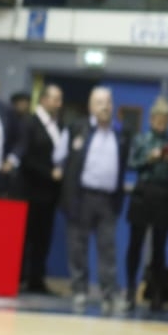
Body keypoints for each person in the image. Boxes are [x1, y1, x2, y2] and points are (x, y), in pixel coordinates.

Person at [61, 86, 129, 315]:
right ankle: (79, 292)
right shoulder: (77, 128)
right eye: (99, 102)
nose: (105, 106)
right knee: (77, 248)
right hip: (82, 197)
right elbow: (60, 158)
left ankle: (109, 295)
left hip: (108, 199)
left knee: (107, 250)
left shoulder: (120, 133)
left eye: (108, 102)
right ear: (91, 106)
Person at [125, 98, 168, 312]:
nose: (161, 122)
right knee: (135, 244)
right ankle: (130, 290)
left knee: (160, 247)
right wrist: (149, 158)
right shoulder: (141, 140)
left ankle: (156, 293)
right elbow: (131, 163)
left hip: (163, 194)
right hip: (142, 191)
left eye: (165, 119)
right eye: (158, 118)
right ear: (151, 119)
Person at [18, 83, 67, 294]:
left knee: (42, 239)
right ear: (44, 99)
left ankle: (36, 280)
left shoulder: (60, 126)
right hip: (30, 191)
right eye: (55, 99)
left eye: (60, 99)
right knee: (26, 237)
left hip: (49, 194)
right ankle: (19, 278)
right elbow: (26, 156)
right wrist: (49, 173)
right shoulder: (30, 123)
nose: (59, 104)